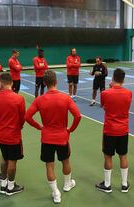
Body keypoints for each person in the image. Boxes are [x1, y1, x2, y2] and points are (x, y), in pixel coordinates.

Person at [25, 70, 81, 204]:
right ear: (56, 81)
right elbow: (78, 116)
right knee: (65, 161)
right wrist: (70, 130)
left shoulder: (39, 100)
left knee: (49, 166)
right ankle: (67, 184)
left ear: (44, 83)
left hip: (47, 138)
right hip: (62, 137)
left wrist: (39, 127)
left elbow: (27, 117)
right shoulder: (65, 98)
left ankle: (56, 193)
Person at [95, 68, 132, 193]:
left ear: (113, 78)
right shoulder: (129, 93)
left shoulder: (105, 93)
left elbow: (104, 107)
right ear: (123, 79)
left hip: (110, 130)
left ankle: (107, 185)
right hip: (123, 130)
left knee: (108, 157)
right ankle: (124, 184)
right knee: (123, 156)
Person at [0, 73, 26, 196]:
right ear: (12, 83)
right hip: (13, 136)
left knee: (4, 159)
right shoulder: (19, 98)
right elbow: (23, 118)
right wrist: (19, 126)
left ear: (0, 83)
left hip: (0, 134)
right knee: (12, 161)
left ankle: (3, 184)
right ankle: (10, 187)